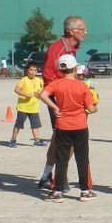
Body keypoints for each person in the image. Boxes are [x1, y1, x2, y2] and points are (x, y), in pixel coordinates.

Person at [39, 54, 98, 202]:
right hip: (80, 125)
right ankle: (85, 191)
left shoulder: (56, 84)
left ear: (60, 69)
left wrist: (54, 107)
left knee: (61, 159)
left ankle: (57, 192)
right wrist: (96, 106)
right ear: (75, 68)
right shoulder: (82, 86)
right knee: (82, 158)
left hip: (62, 125)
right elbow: (91, 109)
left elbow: (43, 95)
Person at [38, 15, 87, 189]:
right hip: (59, 99)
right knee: (65, 138)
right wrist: (62, 94)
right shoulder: (57, 49)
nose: (86, 32)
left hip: (69, 97)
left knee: (61, 138)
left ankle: (48, 175)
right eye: (82, 29)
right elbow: (48, 76)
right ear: (71, 31)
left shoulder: (71, 49)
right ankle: (57, 178)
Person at [9, 61, 46, 148]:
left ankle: (37, 140)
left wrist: (40, 92)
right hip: (23, 107)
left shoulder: (39, 81)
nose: (33, 72)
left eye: (35, 70)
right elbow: (17, 89)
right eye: (31, 70)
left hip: (34, 108)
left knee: (35, 125)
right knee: (18, 124)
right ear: (27, 70)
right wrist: (26, 95)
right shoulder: (24, 80)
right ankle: (13, 139)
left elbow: (45, 89)